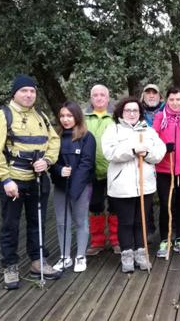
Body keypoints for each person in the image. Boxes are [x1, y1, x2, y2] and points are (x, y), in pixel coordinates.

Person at [0, 74, 61, 290]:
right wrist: (5, 179)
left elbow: (53, 141)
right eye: (24, 91)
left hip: (37, 180)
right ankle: (10, 266)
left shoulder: (41, 117)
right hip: (13, 181)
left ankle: (38, 262)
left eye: (32, 91)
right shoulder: (1, 117)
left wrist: (46, 161)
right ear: (14, 93)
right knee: (10, 225)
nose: (28, 95)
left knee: (37, 222)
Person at [101, 97, 166, 272]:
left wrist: (147, 153)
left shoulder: (148, 130)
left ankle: (141, 252)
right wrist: (132, 151)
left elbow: (160, 151)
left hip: (145, 184)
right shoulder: (112, 130)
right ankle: (127, 254)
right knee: (126, 222)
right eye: (128, 110)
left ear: (140, 113)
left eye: (135, 110)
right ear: (121, 112)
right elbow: (109, 152)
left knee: (141, 220)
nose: (131, 113)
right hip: (122, 186)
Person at [49, 101, 96, 272]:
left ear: (76, 117)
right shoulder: (56, 136)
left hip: (80, 187)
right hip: (60, 186)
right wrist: (59, 170)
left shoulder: (86, 137)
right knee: (62, 222)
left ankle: (81, 256)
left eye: (69, 115)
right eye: (62, 116)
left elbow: (86, 164)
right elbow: (50, 160)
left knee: (80, 220)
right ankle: (64, 257)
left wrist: (75, 189)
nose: (65, 119)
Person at [153, 88, 180, 258]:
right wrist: (163, 148)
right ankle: (165, 239)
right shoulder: (160, 117)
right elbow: (153, 138)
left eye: (178, 99)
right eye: (171, 99)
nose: (175, 102)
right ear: (167, 100)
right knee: (166, 204)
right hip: (164, 168)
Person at [84, 84, 119, 255]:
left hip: (114, 169)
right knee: (95, 205)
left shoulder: (116, 117)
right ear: (91, 98)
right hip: (92, 171)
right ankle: (97, 242)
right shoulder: (84, 118)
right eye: (95, 95)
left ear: (108, 97)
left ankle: (116, 240)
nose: (99, 98)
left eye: (102, 95)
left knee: (115, 206)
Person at [141, 83, 165, 238]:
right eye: (148, 93)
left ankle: (169, 229)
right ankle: (148, 229)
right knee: (145, 196)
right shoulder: (136, 112)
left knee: (165, 196)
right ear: (143, 96)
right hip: (143, 160)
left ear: (159, 96)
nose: (151, 96)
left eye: (154, 93)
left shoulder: (166, 111)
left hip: (163, 158)